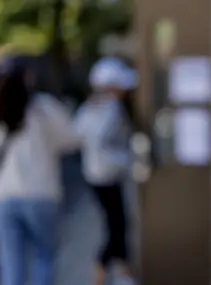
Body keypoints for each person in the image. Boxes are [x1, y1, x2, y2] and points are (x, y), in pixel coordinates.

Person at [0, 55, 79, 285]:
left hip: (4, 196)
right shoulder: (44, 108)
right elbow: (72, 138)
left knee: (11, 263)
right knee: (45, 256)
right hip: (41, 194)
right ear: (28, 77)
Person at [74, 56, 137, 285]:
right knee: (117, 225)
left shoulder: (92, 105)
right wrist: (129, 159)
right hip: (106, 175)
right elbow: (99, 141)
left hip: (96, 174)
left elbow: (77, 132)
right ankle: (101, 273)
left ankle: (122, 272)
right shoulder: (111, 107)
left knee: (117, 222)